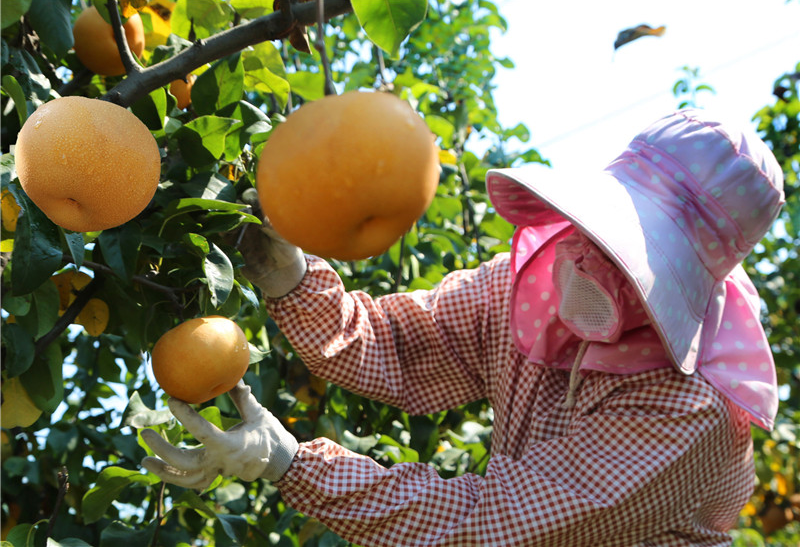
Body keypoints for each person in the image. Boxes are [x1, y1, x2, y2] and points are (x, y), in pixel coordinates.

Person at [141, 108, 785, 546]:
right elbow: (399, 347)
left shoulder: (688, 409)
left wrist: (290, 463)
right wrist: (291, 277)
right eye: (604, 230)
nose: (594, 259)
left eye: (636, 258)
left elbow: (489, 526)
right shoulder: (530, 288)